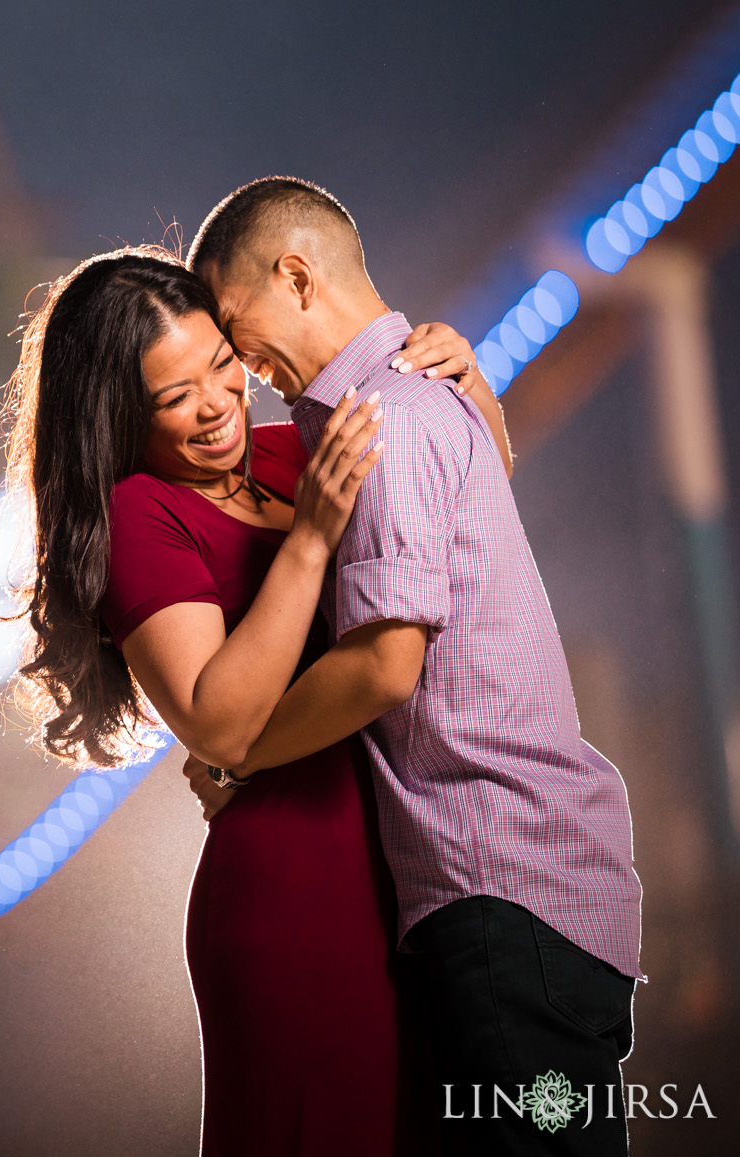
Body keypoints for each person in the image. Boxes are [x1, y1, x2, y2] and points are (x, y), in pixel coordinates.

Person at [188, 176, 643, 1156]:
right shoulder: (427, 399)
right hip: (537, 889)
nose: (232, 360)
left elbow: (386, 665)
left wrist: (235, 753)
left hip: (493, 888)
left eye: (232, 323)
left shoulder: (379, 422)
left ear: (296, 276)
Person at [2, 246, 477, 1154]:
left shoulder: (293, 447)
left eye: (222, 365)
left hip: (414, 865)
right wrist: (311, 541)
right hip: (298, 894)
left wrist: (467, 387)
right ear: (116, 414)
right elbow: (220, 719)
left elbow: (462, 526)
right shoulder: (140, 513)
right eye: (173, 395)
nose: (218, 404)